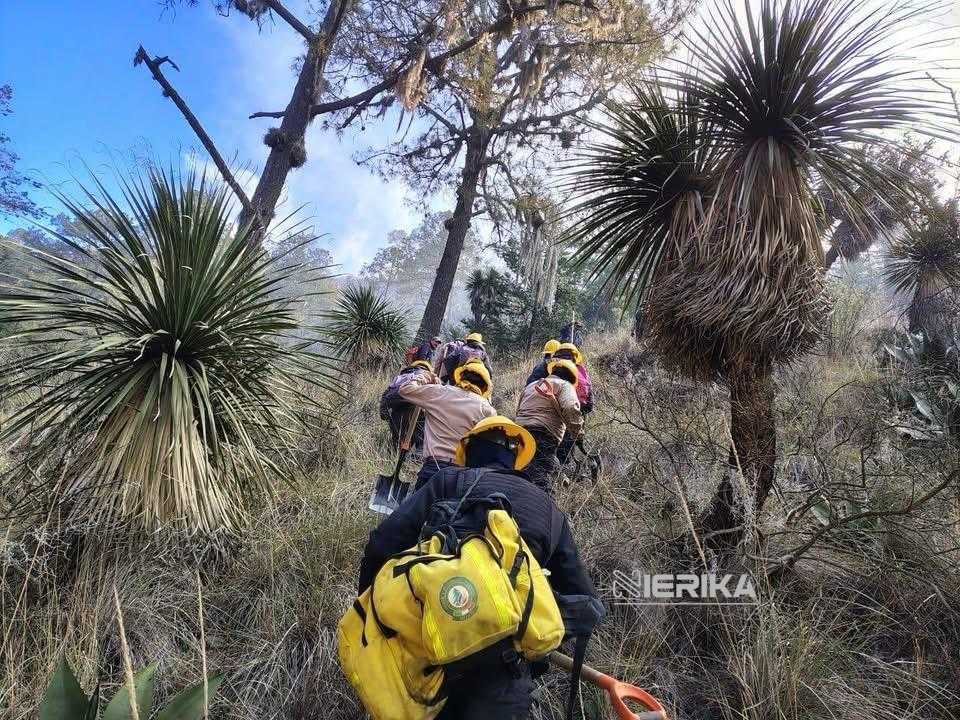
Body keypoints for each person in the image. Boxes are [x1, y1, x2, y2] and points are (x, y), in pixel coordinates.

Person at [357, 416, 599, 720]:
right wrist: (535, 630)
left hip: (427, 655)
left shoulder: (448, 481)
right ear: (516, 458)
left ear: (468, 450)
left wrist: (369, 613)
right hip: (505, 676)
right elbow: (587, 603)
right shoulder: (548, 509)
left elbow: (381, 543)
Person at [384, 358, 496, 488]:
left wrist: (425, 376)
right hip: (462, 476)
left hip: (432, 469)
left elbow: (405, 389)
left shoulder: (439, 392)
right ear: (485, 385)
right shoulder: (487, 410)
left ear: (460, 377)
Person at [515, 358, 583, 491]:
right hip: (544, 434)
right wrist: (577, 432)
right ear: (571, 378)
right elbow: (570, 407)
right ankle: (542, 502)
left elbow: (518, 411)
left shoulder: (531, 385)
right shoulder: (565, 385)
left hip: (520, 434)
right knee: (541, 478)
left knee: (523, 472)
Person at [378, 359, 431, 451]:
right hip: (416, 409)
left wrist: (384, 414)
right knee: (421, 440)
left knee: (398, 441)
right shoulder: (427, 376)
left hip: (397, 411)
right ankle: (416, 456)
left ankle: (396, 455)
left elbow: (386, 396)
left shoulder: (399, 378)